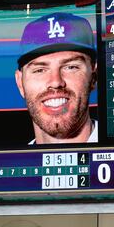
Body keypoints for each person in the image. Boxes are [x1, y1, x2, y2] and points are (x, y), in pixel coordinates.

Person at [15, 12, 98, 144]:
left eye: (71, 67)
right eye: (40, 70)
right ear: (20, 83)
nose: (55, 82)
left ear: (94, 77)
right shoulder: (11, 163)